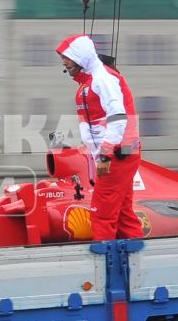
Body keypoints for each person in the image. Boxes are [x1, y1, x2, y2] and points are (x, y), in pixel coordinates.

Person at [57, 34, 140, 241]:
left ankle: (104, 269)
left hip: (116, 156)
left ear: (81, 56)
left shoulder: (103, 79)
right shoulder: (94, 80)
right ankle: (133, 267)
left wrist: (104, 156)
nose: (65, 64)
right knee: (123, 214)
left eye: (67, 58)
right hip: (119, 154)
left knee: (102, 215)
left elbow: (118, 118)